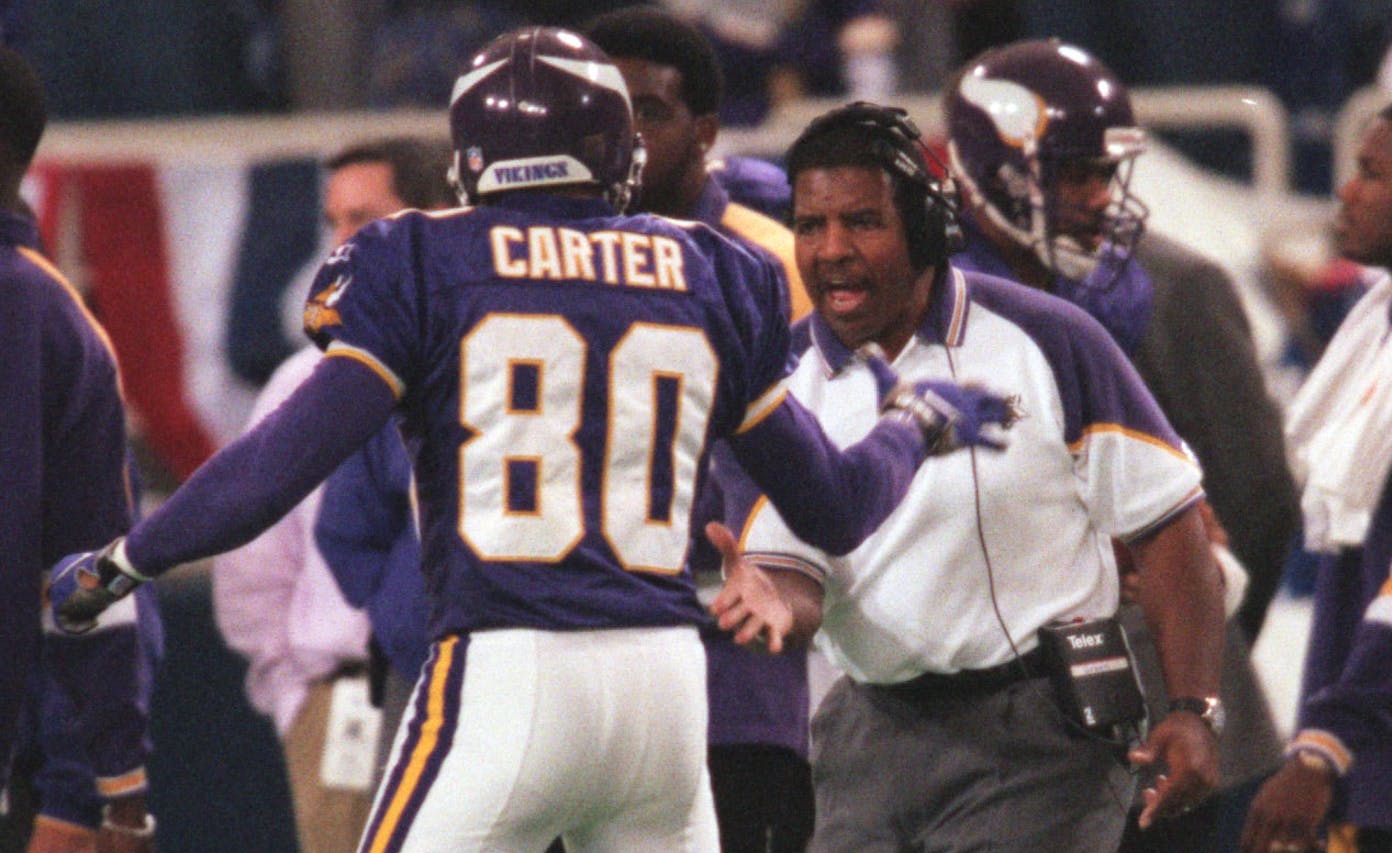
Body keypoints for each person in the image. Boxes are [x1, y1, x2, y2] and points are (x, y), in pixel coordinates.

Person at [46, 28, 1012, 853]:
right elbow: (836, 506)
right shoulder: (715, 270)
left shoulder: (420, 257)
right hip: (667, 694)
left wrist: (124, 561)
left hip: (505, 674)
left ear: (470, 159)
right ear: (618, 152)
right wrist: (912, 424)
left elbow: (280, 465)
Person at [721, 100, 1225, 853]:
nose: (829, 250)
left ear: (927, 227)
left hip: (1042, 731)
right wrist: (776, 603)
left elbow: (1167, 523)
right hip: (870, 731)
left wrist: (1191, 705)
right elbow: (793, 568)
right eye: (809, 225)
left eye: (861, 222)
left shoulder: (1049, 337)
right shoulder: (777, 383)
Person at [943, 39, 1298, 850]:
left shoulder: (1174, 289)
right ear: (991, 169)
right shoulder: (917, 301)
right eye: (1076, 173)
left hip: (1161, 722)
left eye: (1107, 173)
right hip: (978, 742)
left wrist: (1195, 642)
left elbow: (1260, 505)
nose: (1101, 197)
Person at [585, 8, 816, 850]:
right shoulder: (541, 252)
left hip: (739, 686)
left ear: (706, 131)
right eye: (602, 106)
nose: (621, 134)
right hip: (578, 690)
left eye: (646, 110)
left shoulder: (778, 265)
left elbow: (817, 484)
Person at [210, 136, 451, 853]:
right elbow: (250, 565)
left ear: (435, 219)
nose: (341, 244)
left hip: (478, 687)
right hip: (352, 694)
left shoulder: (486, 355)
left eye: (364, 220)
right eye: (334, 222)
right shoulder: (300, 382)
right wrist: (299, 693)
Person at [1241, 92, 1392, 853]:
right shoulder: (1381, 332)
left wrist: (1325, 743)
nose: (1345, 190)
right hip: (1378, 765)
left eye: (1371, 173)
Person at [0, 44, 155, 851]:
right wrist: (118, 790)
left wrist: (99, 786)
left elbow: (93, 576)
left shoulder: (46, 321)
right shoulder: (57, 320)